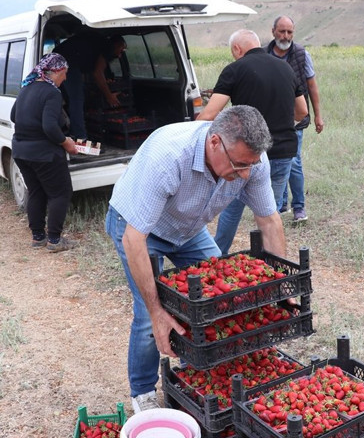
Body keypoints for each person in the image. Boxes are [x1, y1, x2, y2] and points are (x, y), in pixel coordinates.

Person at [105, 105, 286, 413]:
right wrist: (156, 311)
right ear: (214, 142)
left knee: (220, 302)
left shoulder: (252, 162)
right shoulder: (169, 157)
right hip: (137, 226)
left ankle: (203, 369)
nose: (244, 173)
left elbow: (269, 221)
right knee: (151, 316)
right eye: (239, 164)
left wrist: (280, 287)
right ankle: (143, 392)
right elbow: (135, 237)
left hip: (187, 228)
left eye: (250, 165)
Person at [196, 29, 308, 255]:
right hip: (284, 150)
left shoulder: (234, 70)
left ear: (237, 49)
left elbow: (209, 115)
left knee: (231, 208)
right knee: (269, 212)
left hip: (246, 155)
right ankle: (270, 263)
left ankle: (218, 256)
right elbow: (303, 111)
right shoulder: (285, 68)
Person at [11, 53, 80, 253]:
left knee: (36, 191)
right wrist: (66, 142)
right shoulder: (52, 93)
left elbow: (13, 115)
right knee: (60, 192)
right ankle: (55, 240)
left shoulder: (27, 87)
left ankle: (38, 237)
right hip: (44, 153)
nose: (65, 78)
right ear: (56, 71)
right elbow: (50, 127)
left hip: (21, 151)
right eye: (64, 74)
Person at [266, 15, 325, 223]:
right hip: (270, 121)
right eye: (282, 31)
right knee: (275, 161)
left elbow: (312, 86)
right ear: (273, 31)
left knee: (293, 161)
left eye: (289, 32)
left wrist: (317, 115)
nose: (286, 36)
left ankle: (298, 207)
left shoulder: (301, 55)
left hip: (295, 119)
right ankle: (281, 205)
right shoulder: (264, 54)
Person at [52, 32, 127, 140]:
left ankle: (69, 129)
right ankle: (79, 136)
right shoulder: (106, 46)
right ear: (115, 45)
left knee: (73, 97)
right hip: (66, 60)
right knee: (77, 99)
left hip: (62, 58)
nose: (120, 55)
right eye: (121, 50)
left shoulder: (99, 44)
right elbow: (97, 73)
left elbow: (100, 71)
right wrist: (109, 96)